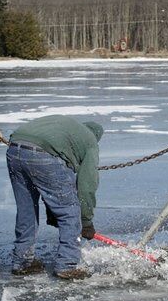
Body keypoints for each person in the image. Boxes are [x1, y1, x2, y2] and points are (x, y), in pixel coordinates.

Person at [6, 115, 103, 279]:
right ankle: (67, 265)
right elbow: (86, 187)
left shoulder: (67, 128)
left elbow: (52, 185)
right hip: (42, 153)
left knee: (26, 209)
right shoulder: (90, 142)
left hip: (14, 149)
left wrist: (53, 212)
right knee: (70, 211)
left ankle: (22, 262)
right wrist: (85, 222)